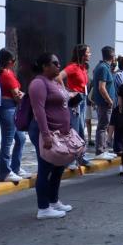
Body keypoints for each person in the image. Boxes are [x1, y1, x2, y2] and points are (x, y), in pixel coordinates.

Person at [28, 53, 74, 219]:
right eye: (54, 63)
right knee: (45, 168)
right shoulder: (38, 83)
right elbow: (38, 111)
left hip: (60, 132)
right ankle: (43, 207)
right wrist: (46, 135)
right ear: (44, 66)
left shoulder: (54, 81)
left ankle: (53, 201)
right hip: (46, 133)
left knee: (58, 167)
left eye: (59, 62)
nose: (58, 66)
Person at [0, 48, 28, 182]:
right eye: (13, 61)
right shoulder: (7, 74)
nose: (14, 63)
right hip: (8, 109)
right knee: (8, 141)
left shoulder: (1, 72)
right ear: (9, 61)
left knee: (21, 138)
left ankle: (15, 167)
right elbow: (17, 96)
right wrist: (25, 96)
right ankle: (5, 171)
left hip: (5, 108)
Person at [59, 44, 92, 169]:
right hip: (75, 101)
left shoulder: (82, 67)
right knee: (74, 130)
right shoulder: (72, 67)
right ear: (82, 54)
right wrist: (67, 92)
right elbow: (59, 77)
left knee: (81, 129)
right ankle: (71, 159)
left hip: (82, 99)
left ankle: (81, 157)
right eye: (88, 52)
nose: (90, 54)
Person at [92, 46, 117, 160]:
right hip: (104, 103)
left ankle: (102, 150)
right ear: (112, 56)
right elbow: (102, 88)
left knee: (103, 125)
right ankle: (100, 151)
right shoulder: (103, 68)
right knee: (102, 126)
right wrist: (110, 100)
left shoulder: (103, 66)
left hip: (104, 103)